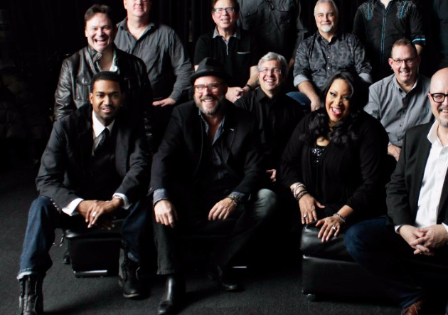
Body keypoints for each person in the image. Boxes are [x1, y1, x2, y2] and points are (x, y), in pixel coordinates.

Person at [344, 67, 448, 315]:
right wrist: (403, 227)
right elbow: (396, 186)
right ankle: (412, 297)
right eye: (439, 96)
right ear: (430, 98)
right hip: (413, 229)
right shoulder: (415, 136)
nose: (446, 103)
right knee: (356, 236)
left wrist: (446, 230)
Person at [150, 58, 277, 315]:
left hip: (228, 193)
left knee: (268, 198)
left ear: (224, 89)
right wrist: (161, 198)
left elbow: (255, 168)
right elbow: (162, 157)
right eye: (200, 87)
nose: (206, 93)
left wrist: (234, 198)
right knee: (158, 198)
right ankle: (173, 280)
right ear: (194, 91)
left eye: (213, 86)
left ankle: (218, 263)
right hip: (191, 194)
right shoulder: (182, 114)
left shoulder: (245, 119)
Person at [18, 72, 151, 314]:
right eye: (101, 95)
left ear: (122, 98)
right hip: (76, 202)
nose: (107, 101)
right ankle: (30, 285)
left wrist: (113, 203)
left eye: (114, 95)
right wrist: (82, 205)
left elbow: (139, 168)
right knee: (40, 206)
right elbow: (46, 179)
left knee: (144, 199)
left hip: (114, 201)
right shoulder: (66, 126)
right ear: (91, 98)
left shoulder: (133, 124)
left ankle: (131, 265)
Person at [280, 71, 389, 242]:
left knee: (292, 230)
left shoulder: (368, 129)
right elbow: (287, 163)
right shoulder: (311, 120)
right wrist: (302, 195)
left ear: (355, 101)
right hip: (308, 200)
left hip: (347, 207)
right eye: (333, 94)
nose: (337, 102)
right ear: (326, 93)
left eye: (346, 97)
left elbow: (371, 184)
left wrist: (340, 216)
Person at [54, 4, 153, 141]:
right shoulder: (71, 65)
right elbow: (63, 114)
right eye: (94, 28)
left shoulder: (135, 65)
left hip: (127, 143)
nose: (100, 33)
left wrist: (147, 146)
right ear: (85, 32)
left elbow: (146, 113)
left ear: (115, 30)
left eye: (105, 27)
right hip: (86, 145)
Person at [114, 0, 193, 147]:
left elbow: (185, 68)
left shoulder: (167, 34)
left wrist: (173, 97)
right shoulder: (112, 34)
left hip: (156, 113)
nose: (139, 2)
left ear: (150, 3)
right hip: (119, 112)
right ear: (125, 3)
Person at [235, 52, 304, 185]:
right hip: (249, 173)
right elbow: (238, 147)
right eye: (265, 70)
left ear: (284, 76)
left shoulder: (295, 109)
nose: (270, 74)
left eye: (276, 70)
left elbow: (297, 147)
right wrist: (257, 171)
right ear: (258, 75)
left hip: (284, 173)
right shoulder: (242, 105)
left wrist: (281, 169)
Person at [292, 0, 372, 111]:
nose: (325, 19)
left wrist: (350, 95)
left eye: (330, 14)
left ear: (337, 17)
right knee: (291, 98)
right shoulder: (306, 45)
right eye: (320, 15)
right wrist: (314, 98)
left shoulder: (352, 42)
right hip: (315, 97)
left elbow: (365, 72)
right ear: (315, 18)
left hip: (345, 98)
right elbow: (299, 76)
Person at [353, 0, 426, 80]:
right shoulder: (363, 9)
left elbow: (419, 40)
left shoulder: (410, 6)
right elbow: (355, 42)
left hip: (401, 73)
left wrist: (405, 65)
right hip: (370, 72)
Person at [365, 39, 432, 162]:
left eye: (409, 60)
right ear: (391, 63)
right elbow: (368, 129)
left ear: (418, 60)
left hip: (420, 155)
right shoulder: (376, 90)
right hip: (384, 153)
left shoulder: (433, 89)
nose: (404, 66)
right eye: (398, 61)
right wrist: (389, 147)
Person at [194, 0, 263, 102]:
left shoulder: (251, 39)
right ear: (213, 16)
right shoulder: (204, 41)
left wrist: (245, 90)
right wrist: (226, 91)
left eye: (229, 9)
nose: (224, 13)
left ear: (237, 15)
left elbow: (256, 73)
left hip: (245, 96)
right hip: (215, 96)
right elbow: (201, 75)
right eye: (219, 10)